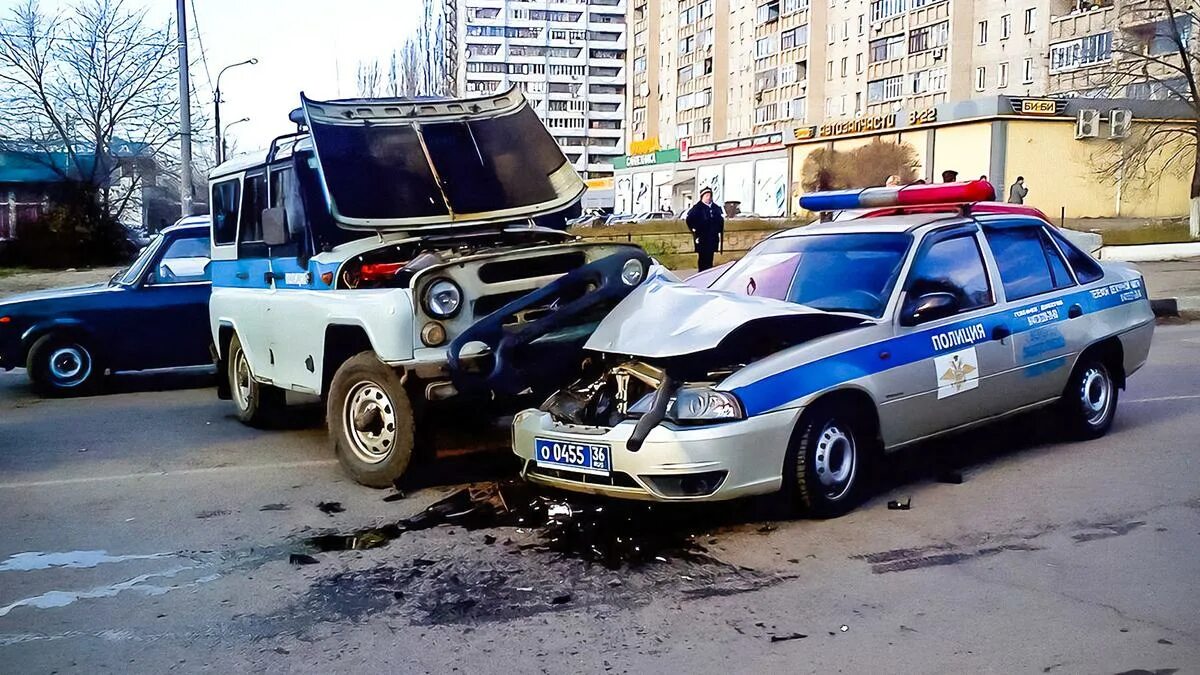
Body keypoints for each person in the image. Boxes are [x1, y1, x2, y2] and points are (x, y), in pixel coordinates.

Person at [686, 187, 724, 271]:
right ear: (702, 197)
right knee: (703, 257)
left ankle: (709, 272)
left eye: (709, 195)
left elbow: (720, 219)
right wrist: (694, 229)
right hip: (702, 237)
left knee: (710, 257)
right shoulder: (697, 208)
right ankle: (702, 272)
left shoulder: (715, 207)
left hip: (712, 237)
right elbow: (689, 220)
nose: (708, 197)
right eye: (706, 195)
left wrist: (718, 227)